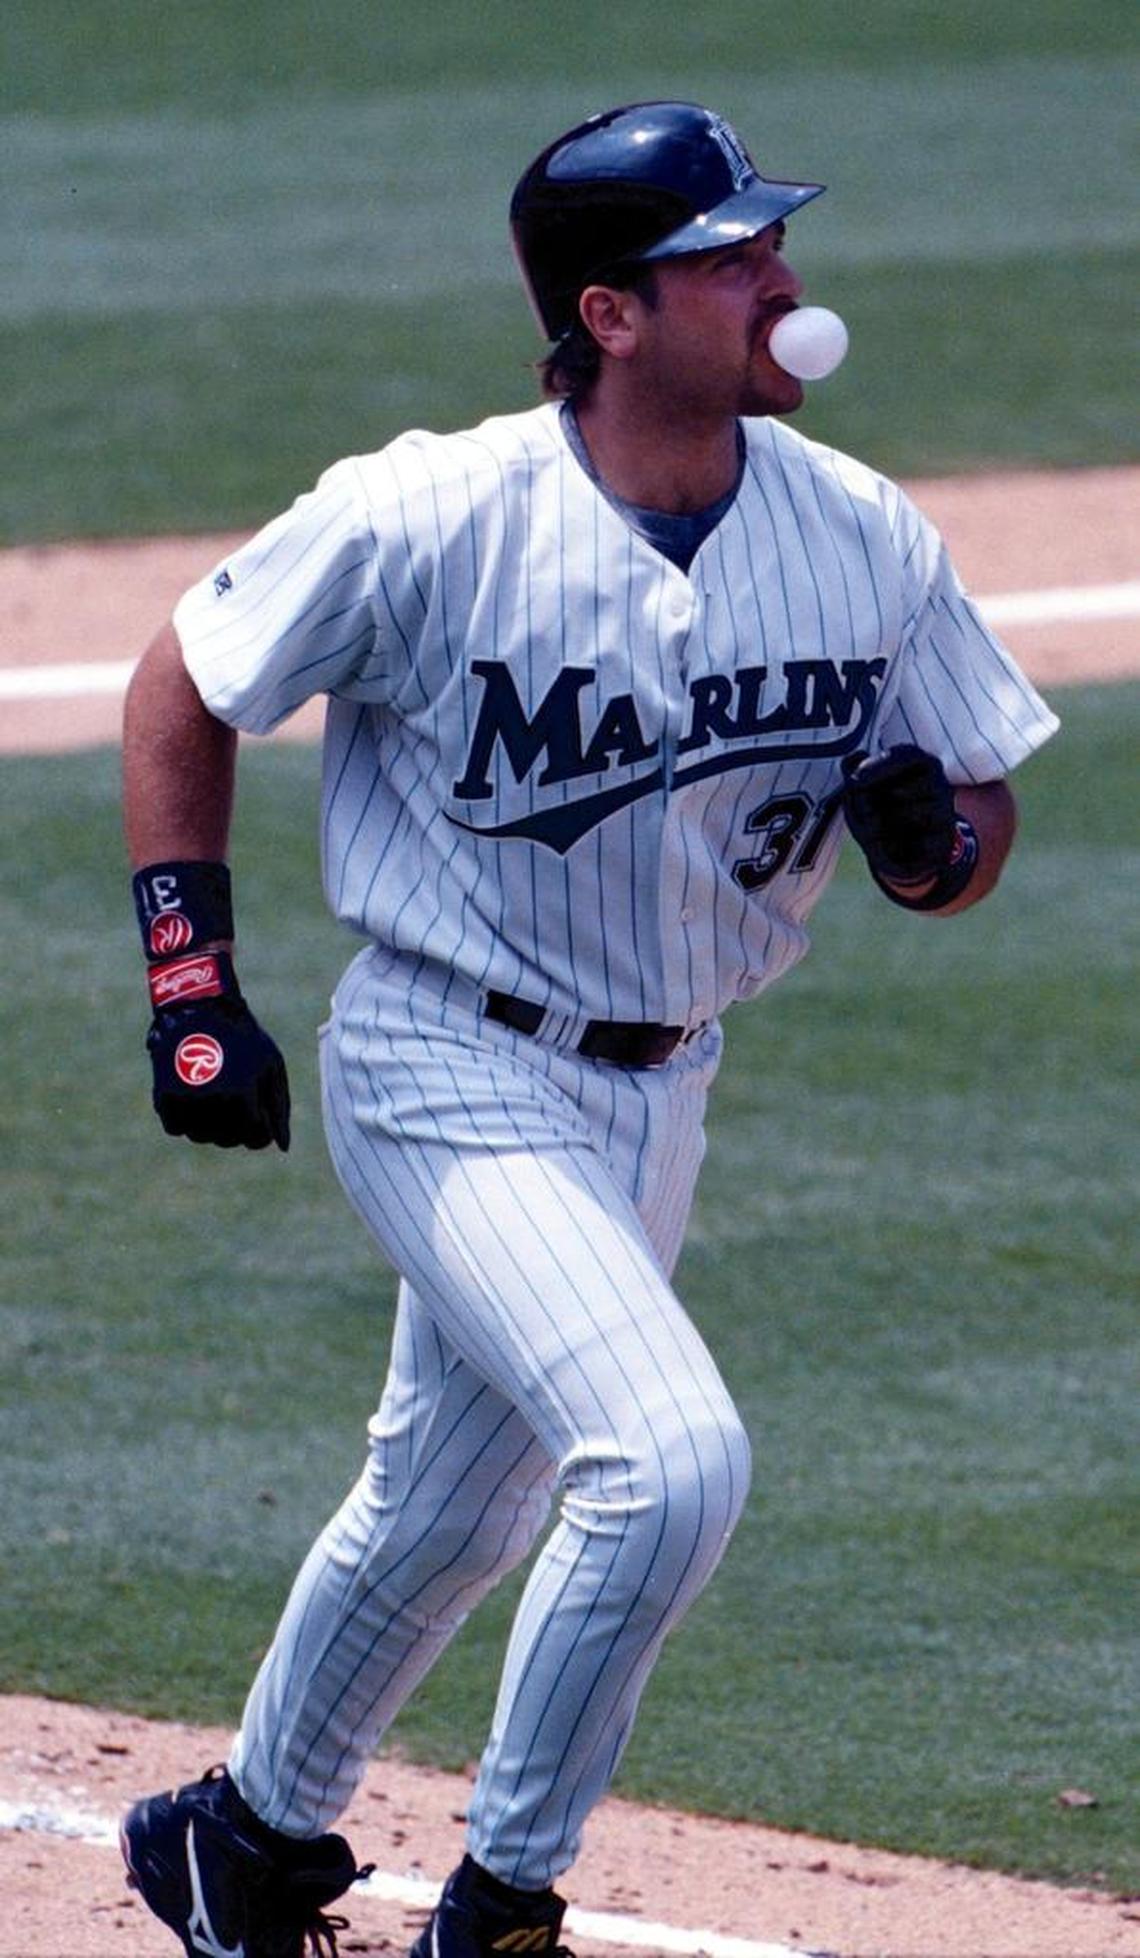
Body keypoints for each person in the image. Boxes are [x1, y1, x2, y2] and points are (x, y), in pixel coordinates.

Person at [118, 100, 1058, 1958]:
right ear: (614, 315)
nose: (786, 286)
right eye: (734, 261)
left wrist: (937, 847)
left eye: (773, 247)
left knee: (454, 1505)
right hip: (445, 1057)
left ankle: (243, 1836)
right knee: (670, 1456)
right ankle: (507, 1902)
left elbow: (975, 812)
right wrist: (189, 979)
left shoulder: (859, 535)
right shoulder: (430, 512)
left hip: (665, 1084)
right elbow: (186, 679)